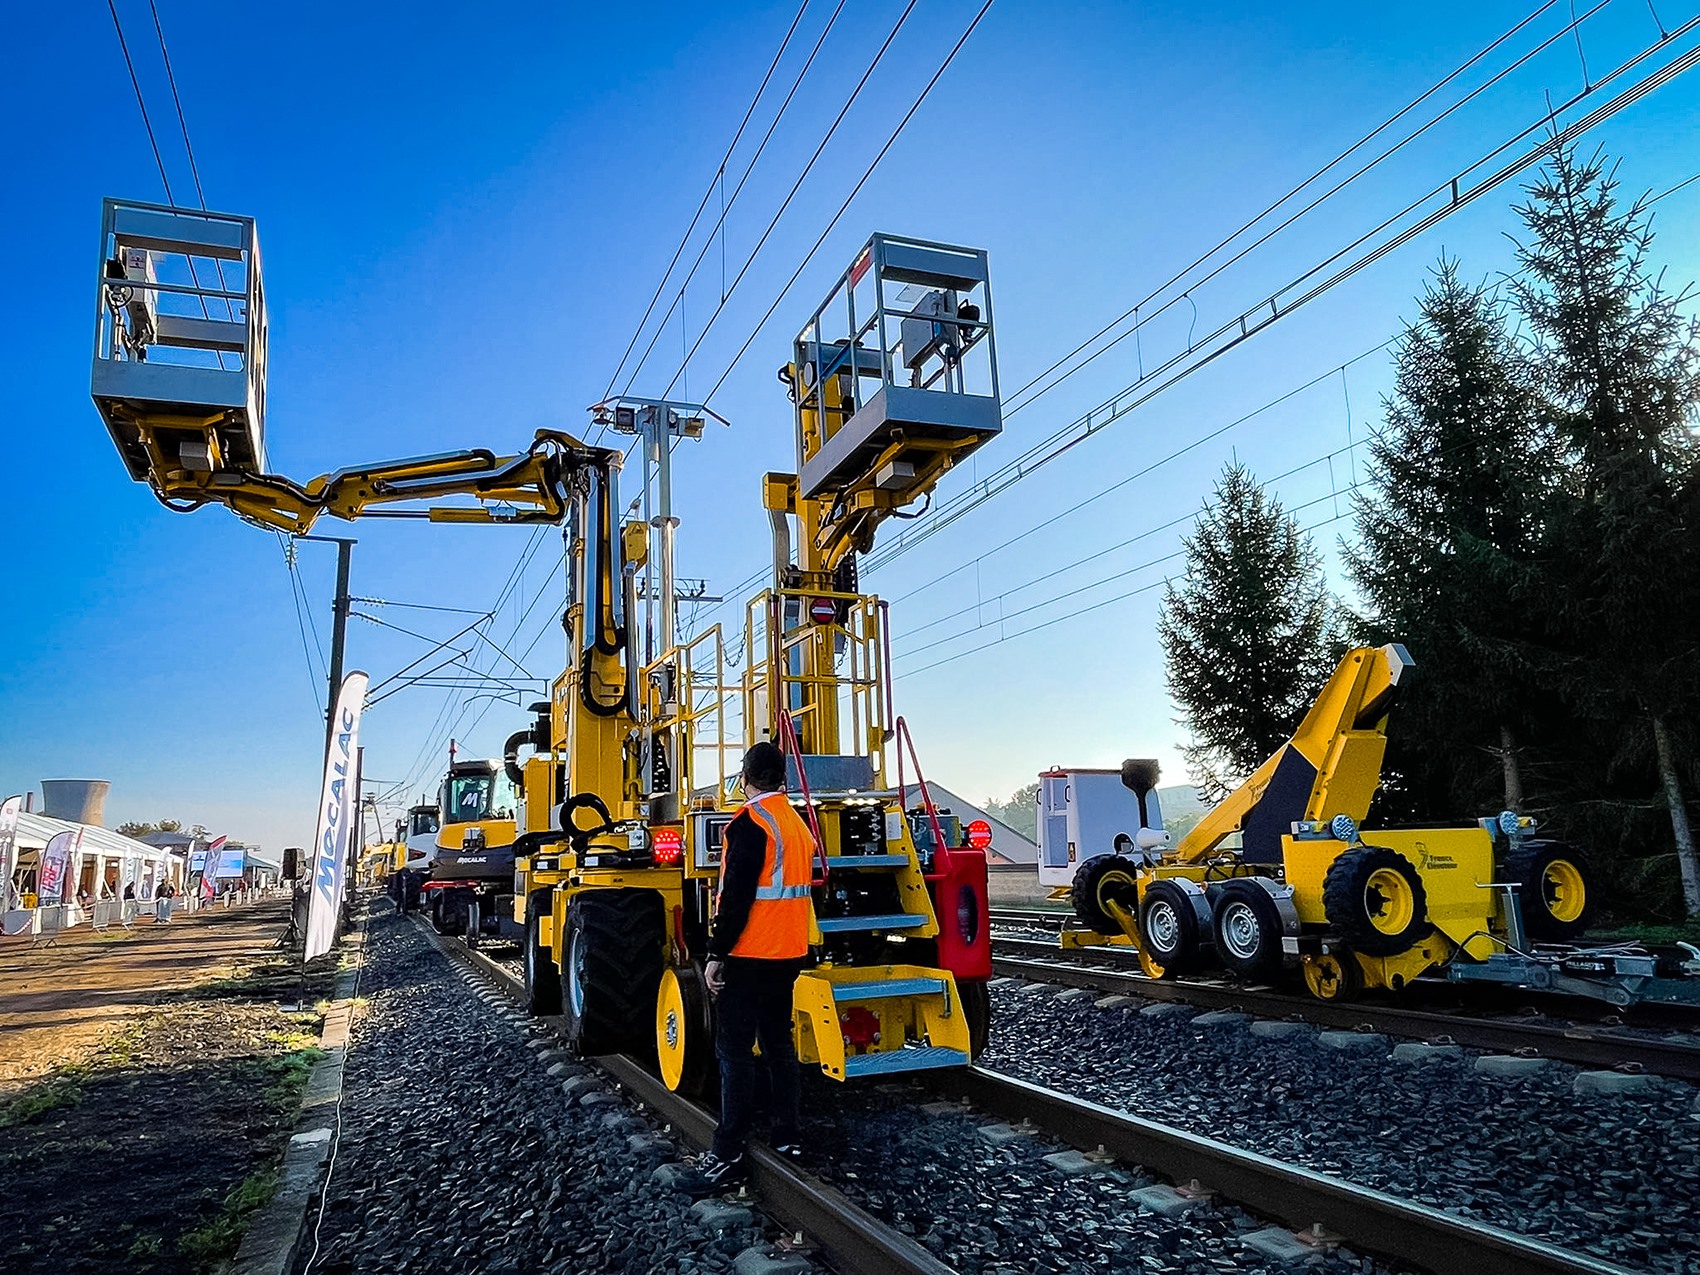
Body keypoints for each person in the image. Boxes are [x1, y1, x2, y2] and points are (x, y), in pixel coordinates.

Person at [681, 742, 815, 1197]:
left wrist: (716, 953)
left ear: (746, 778)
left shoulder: (749, 824)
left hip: (750, 954)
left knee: (734, 1051)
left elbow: (735, 898)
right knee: (779, 1045)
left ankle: (728, 1150)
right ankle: (788, 1135)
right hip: (789, 953)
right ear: (781, 778)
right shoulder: (796, 824)